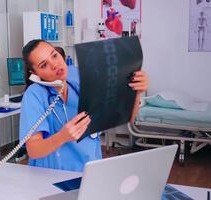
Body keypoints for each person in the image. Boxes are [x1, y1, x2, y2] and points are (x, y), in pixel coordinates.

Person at [19, 39, 148, 172]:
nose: (55, 65)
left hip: (89, 171)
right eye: (44, 65)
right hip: (52, 176)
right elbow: (33, 150)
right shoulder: (34, 94)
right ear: (34, 74)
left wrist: (137, 92)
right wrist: (62, 137)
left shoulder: (78, 79)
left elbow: (129, 117)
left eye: (54, 55)